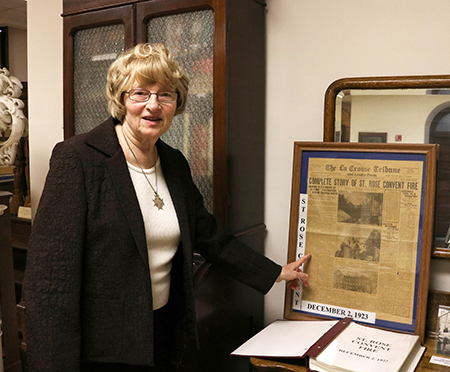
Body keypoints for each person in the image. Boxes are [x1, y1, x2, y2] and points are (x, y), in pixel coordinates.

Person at [24, 43, 311, 372]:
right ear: (120, 99)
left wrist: (275, 272)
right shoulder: (79, 158)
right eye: (140, 93)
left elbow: (209, 235)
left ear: (177, 103)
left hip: (162, 332)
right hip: (102, 346)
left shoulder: (173, 162)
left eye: (165, 95)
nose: (153, 105)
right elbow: (49, 282)